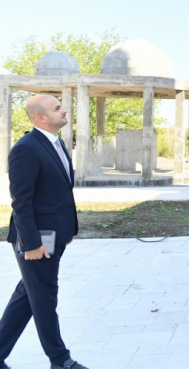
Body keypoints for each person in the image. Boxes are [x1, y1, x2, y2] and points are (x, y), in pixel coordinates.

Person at [0, 95, 89, 369]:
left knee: (28, 296)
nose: (64, 111)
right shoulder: (26, 149)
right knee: (44, 299)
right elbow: (22, 202)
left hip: (55, 237)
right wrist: (32, 244)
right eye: (57, 108)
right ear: (41, 118)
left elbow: (58, 191)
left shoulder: (56, 142)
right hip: (37, 241)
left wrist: (67, 229)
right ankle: (60, 360)